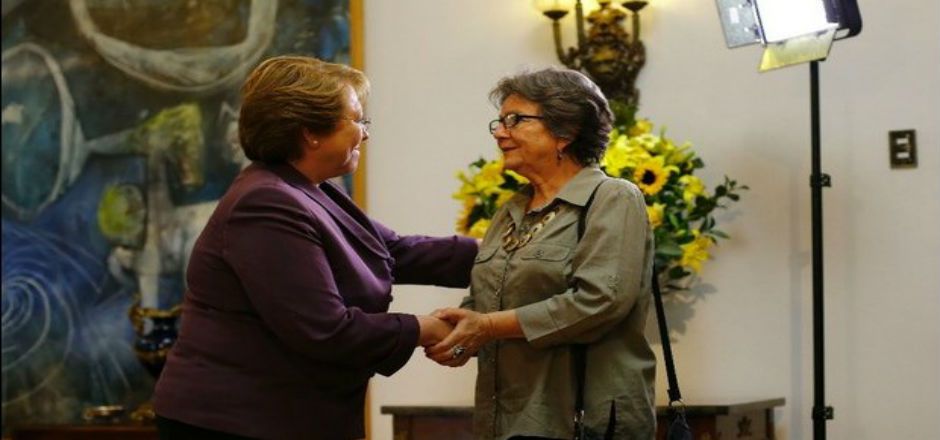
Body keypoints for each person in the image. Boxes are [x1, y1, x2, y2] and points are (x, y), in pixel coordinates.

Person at [153, 56, 477, 440]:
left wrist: (509, 251)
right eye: (358, 120)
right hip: (241, 421)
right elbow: (326, 330)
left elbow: (395, 251)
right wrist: (429, 328)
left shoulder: (308, 189)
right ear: (310, 132)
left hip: (286, 415)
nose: (366, 134)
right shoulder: (265, 203)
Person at [426, 67, 657, 440]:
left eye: (514, 120)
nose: (500, 132)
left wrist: (485, 328)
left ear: (565, 131)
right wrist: (457, 336)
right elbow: (484, 301)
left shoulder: (613, 197)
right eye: (499, 122)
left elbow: (601, 301)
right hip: (504, 417)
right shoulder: (510, 210)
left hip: (582, 418)